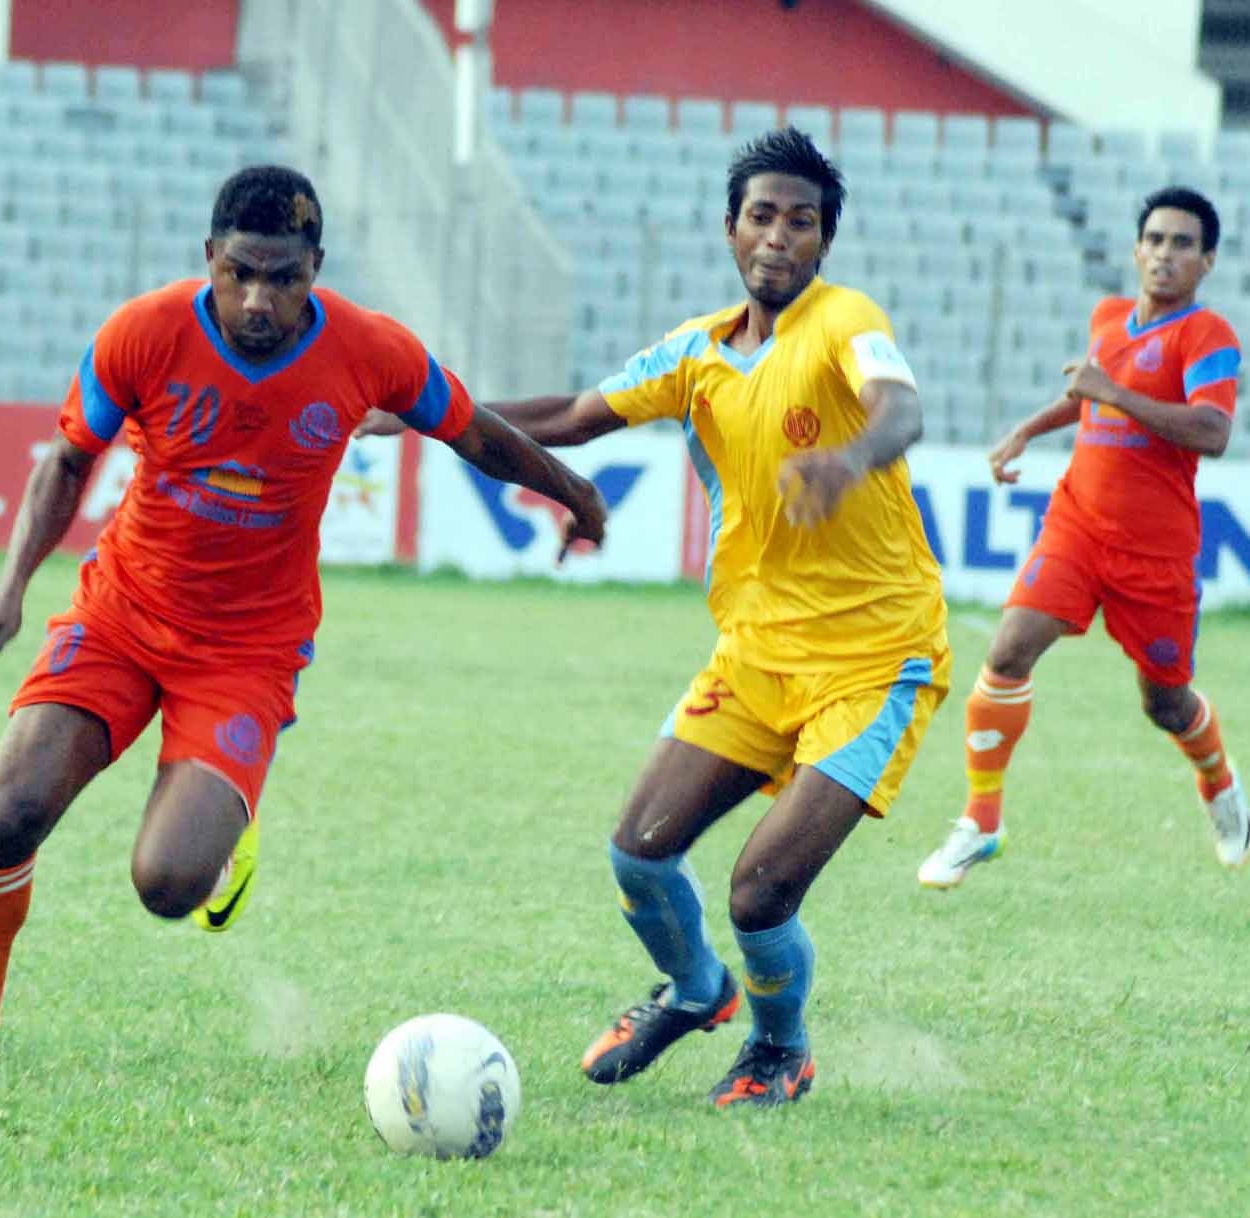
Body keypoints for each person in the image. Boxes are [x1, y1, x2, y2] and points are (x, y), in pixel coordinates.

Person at [0, 165, 607, 1075]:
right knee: (10, 814)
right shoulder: (142, 333)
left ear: (316, 268)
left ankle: (229, 816)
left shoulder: (371, 350)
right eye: (239, 272)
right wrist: (9, 590)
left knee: (169, 887)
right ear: (209, 257)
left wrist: (575, 491)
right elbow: (66, 461)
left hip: (247, 651)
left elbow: (473, 430)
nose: (258, 300)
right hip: (121, 614)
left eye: (284, 278)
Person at [367, 129, 948, 1108]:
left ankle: (780, 1049)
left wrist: (849, 460)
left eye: (801, 222)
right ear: (730, 228)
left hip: (873, 659)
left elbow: (900, 408)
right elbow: (575, 415)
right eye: (761, 216)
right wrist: (432, 411)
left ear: (824, 241)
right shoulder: (697, 351)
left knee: (761, 891)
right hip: (756, 654)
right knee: (638, 854)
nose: (778, 236)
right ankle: (696, 990)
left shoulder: (846, 321)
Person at [917, 186, 1250, 890]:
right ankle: (981, 820)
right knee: (1007, 651)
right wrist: (1026, 430)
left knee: (1165, 702)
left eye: (1183, 244)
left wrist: (1115, 395)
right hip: (1077, 525)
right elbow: (1087, 396)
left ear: (1207, 261)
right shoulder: (1108, 317)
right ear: (1136, 249)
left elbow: (1212, 430)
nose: (1165, 254)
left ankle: (1219, 784)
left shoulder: (1207, 334)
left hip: (1155, 551)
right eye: (1155, 240)